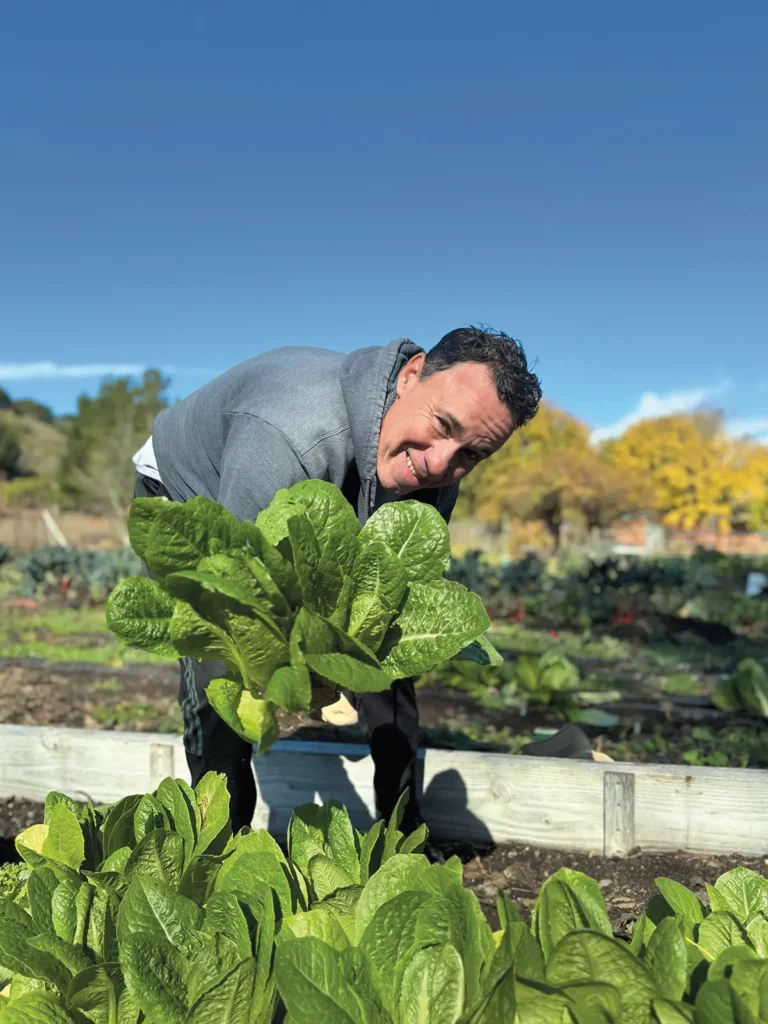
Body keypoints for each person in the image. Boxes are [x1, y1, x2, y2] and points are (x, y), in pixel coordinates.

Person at [131, 326, 542, 833]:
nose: (440, 461)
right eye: (442, 424)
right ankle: (219, 840)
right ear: (411, 377)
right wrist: (300, 671)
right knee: (218, 657)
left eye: (471, 454)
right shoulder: (289, 434)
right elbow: (239, 589)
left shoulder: (437, 465)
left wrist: (345, 655)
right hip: (188, 492)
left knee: (386, 636)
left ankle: (402, 826)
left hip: (320, 481)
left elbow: (392, 602)